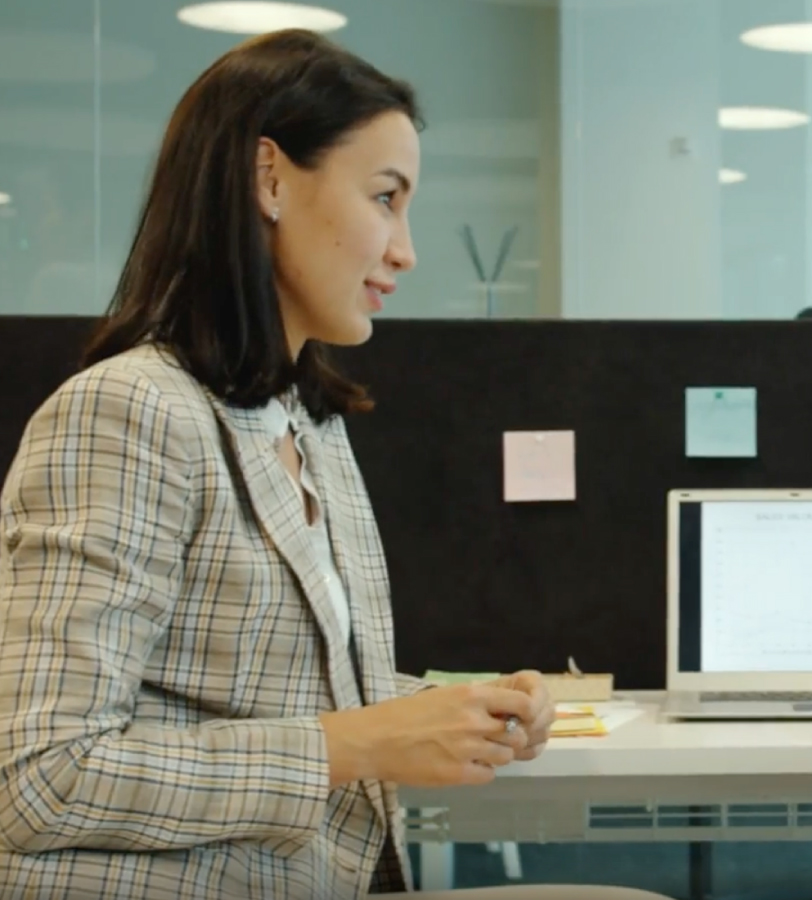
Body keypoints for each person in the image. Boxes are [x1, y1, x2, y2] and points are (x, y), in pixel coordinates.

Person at [0, 31, 667, 900]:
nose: (405, 250)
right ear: (268, 178)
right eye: (385, 198)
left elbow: (290, 686)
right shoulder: (128, 411)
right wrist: (362, 744)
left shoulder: (303, 421)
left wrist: (465, 707)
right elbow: (41, 779)